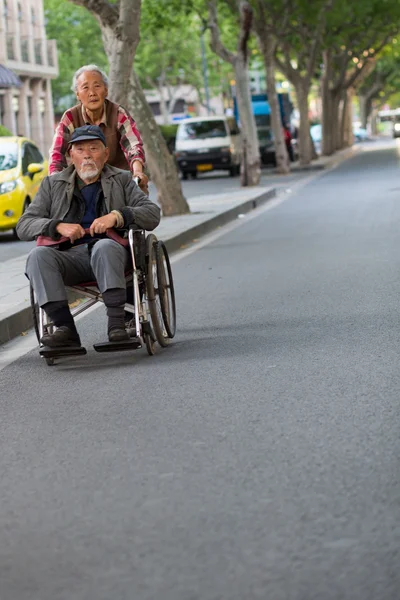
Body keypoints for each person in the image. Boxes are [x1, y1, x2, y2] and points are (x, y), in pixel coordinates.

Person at [16, 125, 160, 349]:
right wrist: (57, 226)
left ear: (105, 154)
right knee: (38, 256)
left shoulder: (121, 179)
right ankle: (65, 329)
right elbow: (24, 225)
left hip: (112, 255)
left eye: (94, 148)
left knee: (104, 246)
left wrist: (117, 216)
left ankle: (117, 325)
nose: (87, 155)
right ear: (70, 155)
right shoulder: (52, 184)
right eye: (80, 149)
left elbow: (152, 214)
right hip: (68, 257)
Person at [49, 64, 149, 194]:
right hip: (83, 184)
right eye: (85, 87)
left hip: (119, 182)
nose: (92, 93)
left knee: (139, 208)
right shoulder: (70, 117)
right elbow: (57, 153)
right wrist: (56, 183)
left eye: (97, 86)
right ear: (78, 94)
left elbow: (133, 145)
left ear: (106, 90)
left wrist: (137, 172)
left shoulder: (118, 113)